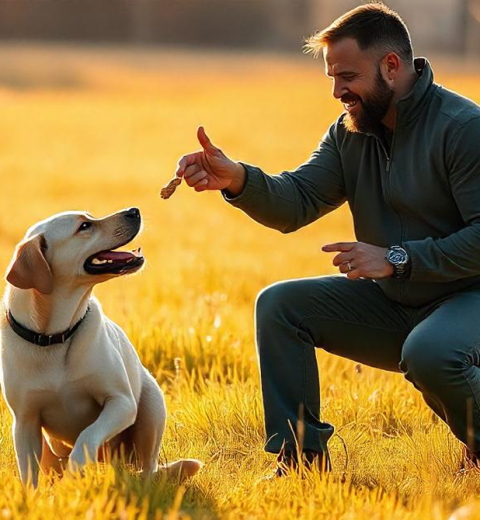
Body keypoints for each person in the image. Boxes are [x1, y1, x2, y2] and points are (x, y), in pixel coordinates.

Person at [175, 3, 480, 476]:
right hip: (402, 306)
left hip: (468, 301)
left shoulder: (463, 129)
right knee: (279, 306)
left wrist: (397, 259)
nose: (338, 91)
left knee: (431, 352)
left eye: (347, 76)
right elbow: (295, 200)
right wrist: (236, 179)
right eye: (332, 78)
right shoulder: (349, 134)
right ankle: (300, 461)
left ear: (391, 67)